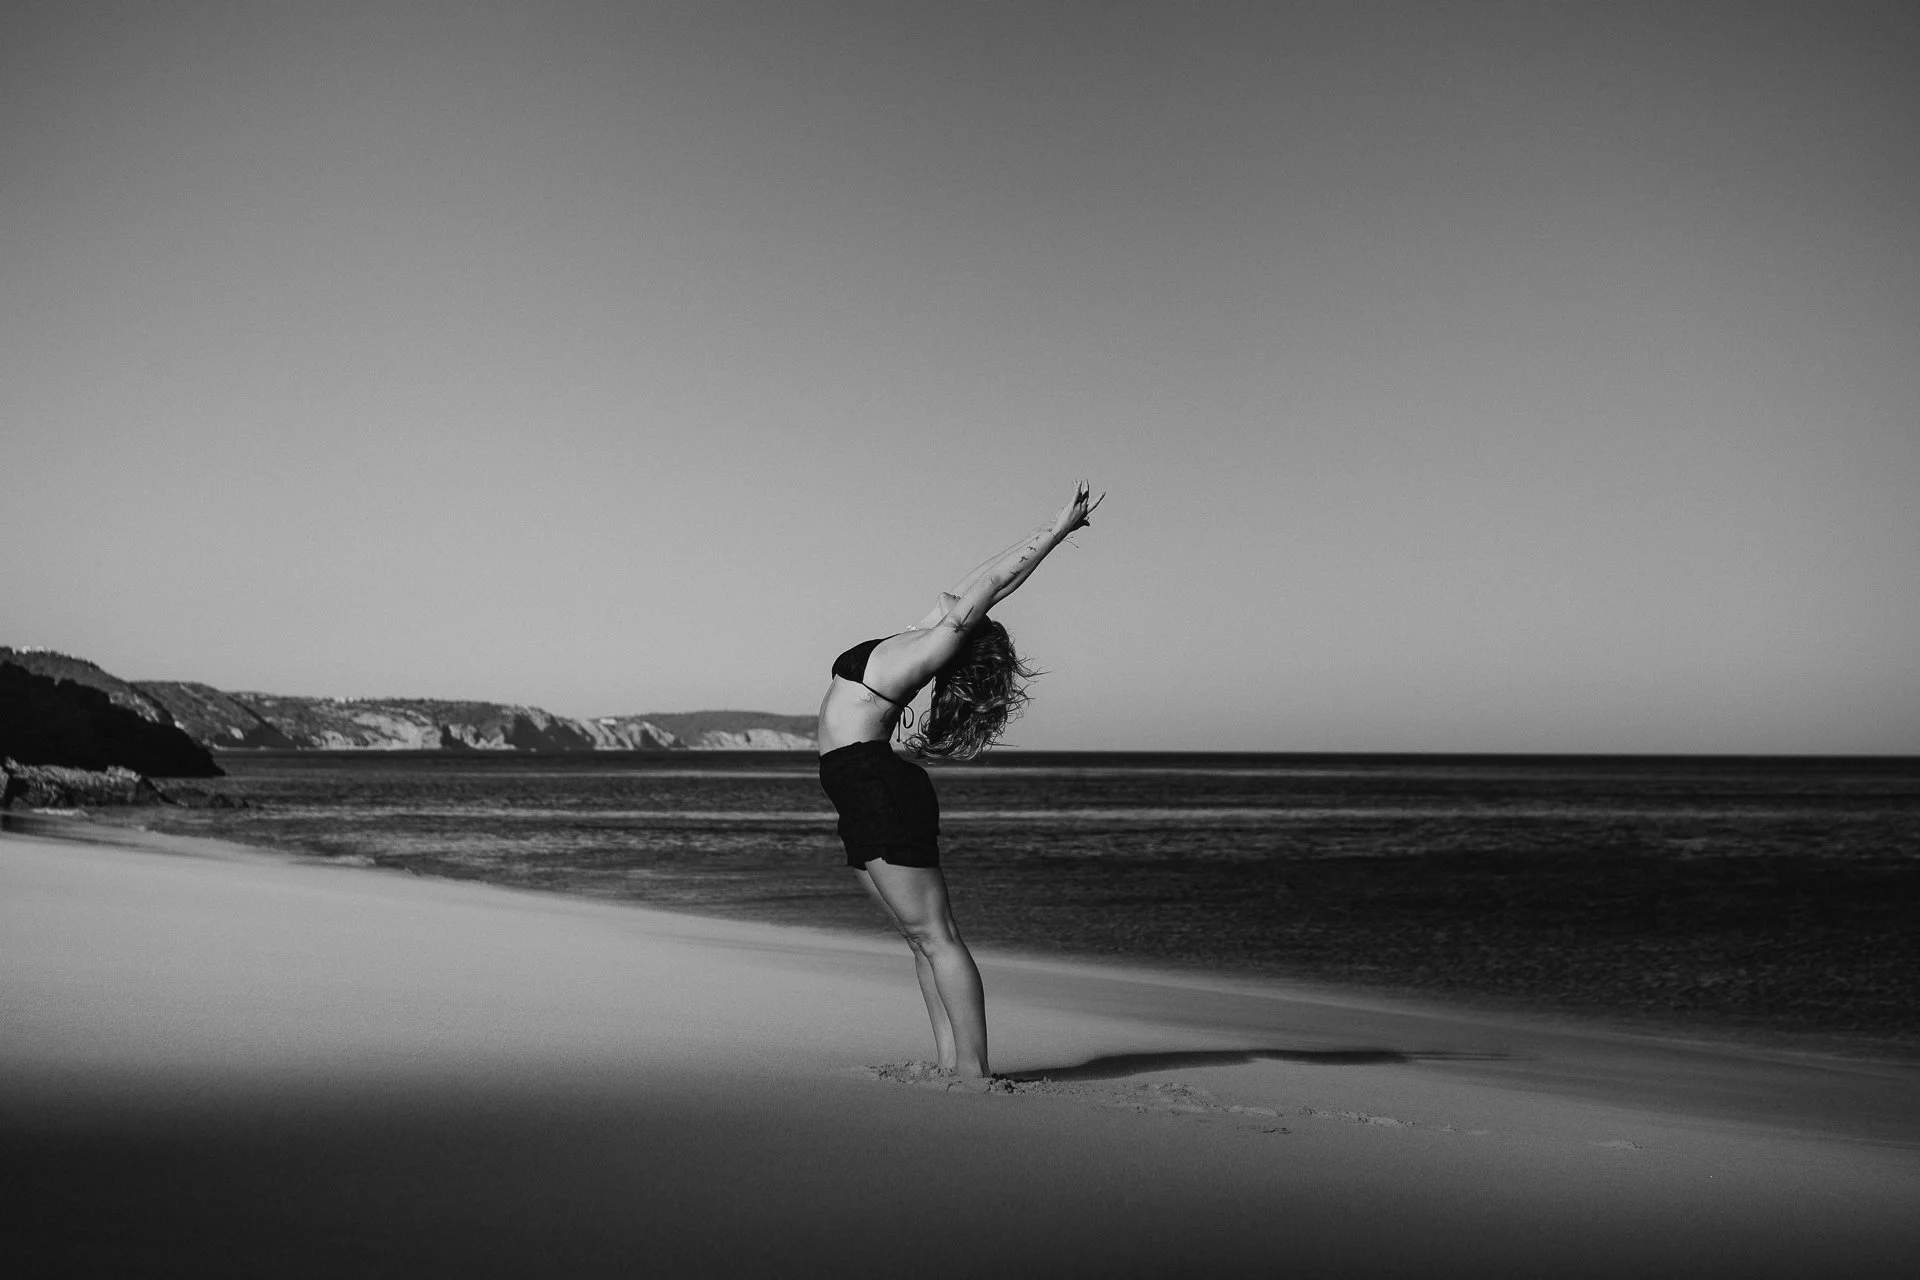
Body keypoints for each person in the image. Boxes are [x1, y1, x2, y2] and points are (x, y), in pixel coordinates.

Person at [817, 482, 1105, 1081]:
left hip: (877, 785)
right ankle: (950, 1062)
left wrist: (1055, 533)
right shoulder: (919, 636)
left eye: (972, 609)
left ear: (963, 631)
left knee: (936, 934)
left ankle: (973, 1070)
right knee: (918, 938)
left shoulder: (932, 647)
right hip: (856, 785)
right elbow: (979, 576)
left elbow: (993, 582)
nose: (968, 595)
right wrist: (1039, 533)